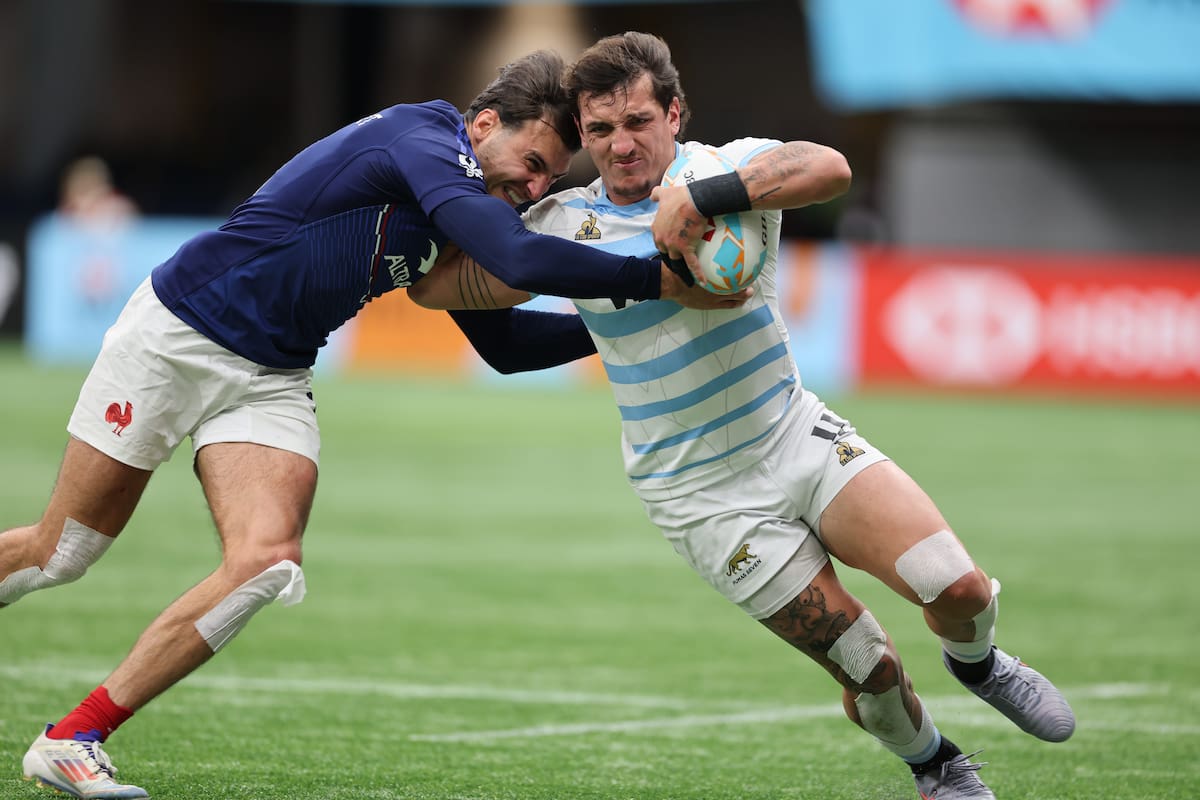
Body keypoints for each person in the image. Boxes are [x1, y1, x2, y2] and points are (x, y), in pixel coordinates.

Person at [0, 49, 743, 800]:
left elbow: (508, 349)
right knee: (59, 554)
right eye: (534, 161)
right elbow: (517, 254)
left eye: (552, 176)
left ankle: (74, 739)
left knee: (267, 560)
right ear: (484, 124)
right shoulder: (421, 145)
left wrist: (631, 320)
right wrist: (659, 280)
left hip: (272, 373)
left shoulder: (472, 202)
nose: (538, 185)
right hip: (180, 335)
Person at [408, 32, 1076, 800]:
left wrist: (707, 199)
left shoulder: (726, 166)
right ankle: (937, 766)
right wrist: (469, 207)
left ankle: (982, 662)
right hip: (700, 496)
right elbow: (436, 291)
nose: (620, 144)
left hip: (795, 435)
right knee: (872, 666)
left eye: (636, 121)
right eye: (599, 131)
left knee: (954, 588)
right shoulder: (561, 223)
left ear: (675, 113)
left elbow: (830, 168)